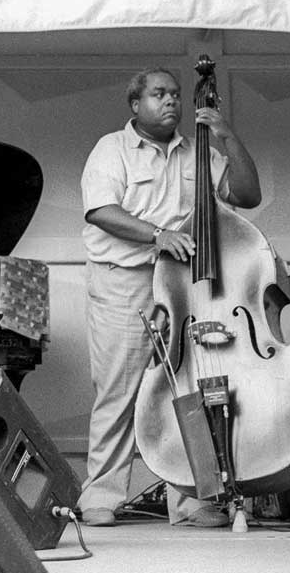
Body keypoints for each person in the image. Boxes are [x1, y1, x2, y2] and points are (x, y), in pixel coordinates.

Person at [77, 67, 262, 528]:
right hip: (126, 282)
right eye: (159, 94)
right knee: (119, 390)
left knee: (189, 385)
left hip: (183, 285)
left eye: (176, 94)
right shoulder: (111, 149)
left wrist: (227, 137)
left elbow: (247, 193)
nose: (172, 101)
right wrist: (158, 235)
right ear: (135, 104)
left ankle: (193, 498)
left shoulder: (198, 153)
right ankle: (101, 495)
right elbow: (101, 210)